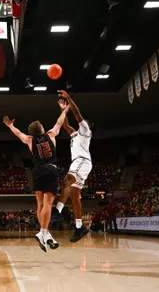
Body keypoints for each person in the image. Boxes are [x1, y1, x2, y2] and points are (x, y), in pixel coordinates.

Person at [3, 103, 70, 252]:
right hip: (50, 170)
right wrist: (64, 109)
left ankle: (45, 234)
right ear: (41, 129)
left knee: (40, 204)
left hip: (37, 171)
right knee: (48, 204)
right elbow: (60, 121)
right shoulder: (51, 134)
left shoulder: (29, 140)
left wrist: (10, 126)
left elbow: (18, 133)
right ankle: (43, 233)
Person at [54, 90, 93, 242]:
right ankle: (79, 227)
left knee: (67, 180)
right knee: (75, 195)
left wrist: (69, 99)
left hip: (82, 160)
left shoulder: (85, 131)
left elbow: (77, 114)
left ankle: (57, 210)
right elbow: (66, 125)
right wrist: (63, 111)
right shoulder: (74, 134)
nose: (80, 123)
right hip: (80, 162)